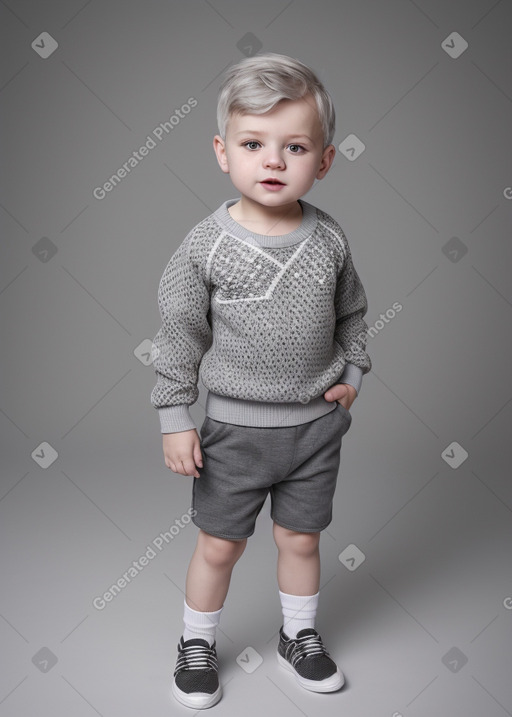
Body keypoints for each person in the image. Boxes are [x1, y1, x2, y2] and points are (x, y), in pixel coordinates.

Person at [150, 52, 372, 710]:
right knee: (219, 544)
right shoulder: (206, 245)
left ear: (323, 160)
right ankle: (196, 643)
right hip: (235, 431)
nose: (273, 161)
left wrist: (353, 372)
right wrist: (174, 415)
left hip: (314, 427)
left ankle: (298, 635)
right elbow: (179, 332)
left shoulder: (328, 239)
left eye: (294, 146)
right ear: (223, 152)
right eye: (254, 144)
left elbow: (354, 313)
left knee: (302, 537)